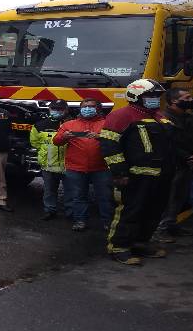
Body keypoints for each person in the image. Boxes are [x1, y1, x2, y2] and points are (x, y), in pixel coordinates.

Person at [99, 79, 171, 265]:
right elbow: (109, 146)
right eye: (150, 96)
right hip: (134, 176)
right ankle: (119, 247)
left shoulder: (159, 116)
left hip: (160, 175)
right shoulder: (121, 116)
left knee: (153, 211)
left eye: (156, 96)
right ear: (136, 96)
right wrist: (119, 173)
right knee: (130, 212)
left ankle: (140, 243)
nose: (155, 99)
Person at [52, 99, 113, 232]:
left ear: (98, 108)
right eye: (84, 106)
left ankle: (108, 222)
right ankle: (80, 220)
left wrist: (99, 136)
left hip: (101, 167)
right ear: (80, 109)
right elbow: (56, 141)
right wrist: (64, 137)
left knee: (105, 196)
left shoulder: (106, 124)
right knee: (78, 196)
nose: (87, 109)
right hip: (76, 168)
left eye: (91, 106)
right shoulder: (69, 124)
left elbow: (116, 140)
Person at [154, 88, 193, 242]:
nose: (192, 99)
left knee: (180, 196)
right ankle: (160, 230)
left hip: (189, 164)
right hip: (172, 164)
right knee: (169, 197)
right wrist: (187, 156)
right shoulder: (163, 119)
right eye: (187, 97)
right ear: (174, 101)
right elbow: (168, 143)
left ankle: (171, 225)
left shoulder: (192, 118)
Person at [29, 99, 68, 220]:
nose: (56, 111)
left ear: (66, 110)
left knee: (71, 191)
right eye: (54, 109)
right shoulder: (40, 125)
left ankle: (72, 213)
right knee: (49, 190)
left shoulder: (71, 124)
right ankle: (50, 211)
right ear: (49, 109)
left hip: (68, 164)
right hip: (48, 164)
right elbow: (34, 142)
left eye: (60, 109)